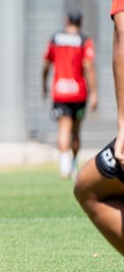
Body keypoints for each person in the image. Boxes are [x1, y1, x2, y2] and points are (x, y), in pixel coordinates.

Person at [74, 0, 124, 256]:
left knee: (87, 187)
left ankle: (63, 163)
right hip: (76, 92)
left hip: (66, 92)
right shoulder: (81, 42)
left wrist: (123, 123)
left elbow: (122, 35)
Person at [42, 10, 97, 179]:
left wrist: (43, 83)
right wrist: (94, 92)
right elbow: (88, 66)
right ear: (80, 22)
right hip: (79, 92)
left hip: (60, 91)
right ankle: (72, 163)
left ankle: (64, 167)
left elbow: (46, 63)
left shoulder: (55, 39)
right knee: (76, 131)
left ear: (66, 20)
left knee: (63, 129)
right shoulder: (84, 40)